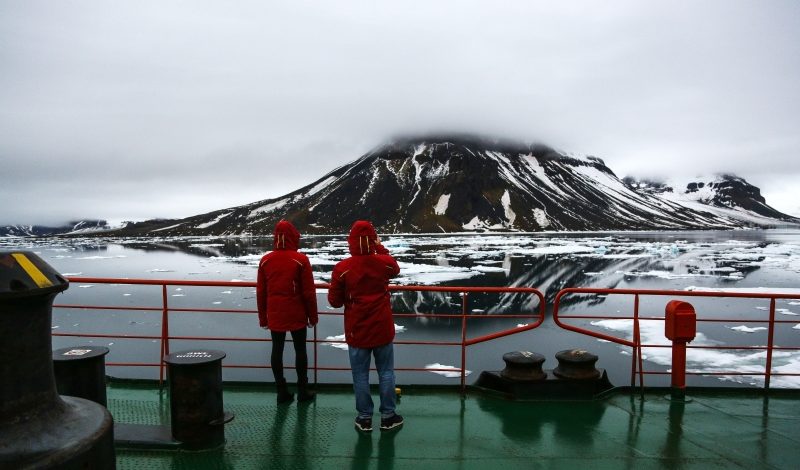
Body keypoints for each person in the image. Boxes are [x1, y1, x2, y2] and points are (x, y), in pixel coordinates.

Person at [328, 220, 403, 432]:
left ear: (351, 241)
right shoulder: (383, 263)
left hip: (357, 330)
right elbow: (394, 267)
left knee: (360, 375)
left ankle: (364, 418)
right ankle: (388, 416)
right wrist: (379, 247)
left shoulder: (342, 269)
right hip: (382, 328)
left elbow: (334, 301)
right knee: (386, 372)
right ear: (372, 240)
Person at [257, 220, 319, 404]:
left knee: (277, 349)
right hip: (297, 313)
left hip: (275, 314)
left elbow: (261, 293)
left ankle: (281, 391)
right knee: (300, 350)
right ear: (293, 237)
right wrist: (312, 316)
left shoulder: (266, 260)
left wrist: (263, 319)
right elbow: (309, 292)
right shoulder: (300, 260)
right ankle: (302, 391)